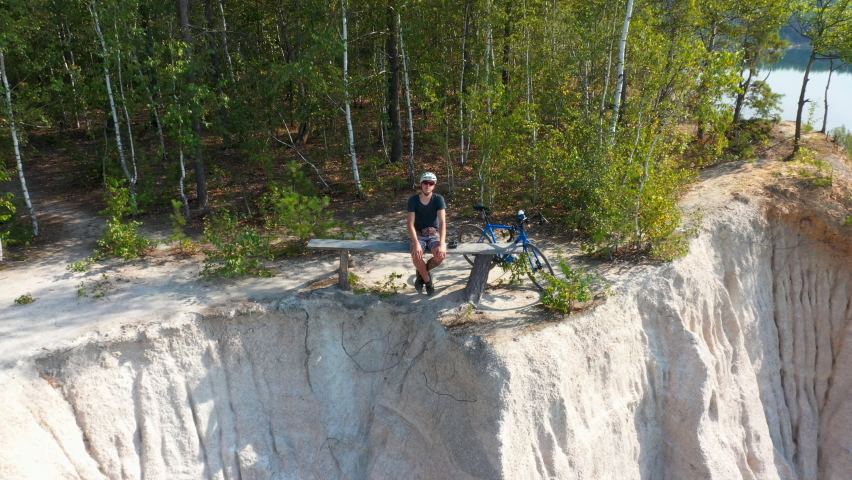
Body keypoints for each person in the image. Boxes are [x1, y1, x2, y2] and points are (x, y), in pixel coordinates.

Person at [407, 172, 446, 295]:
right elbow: (410, 223)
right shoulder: (413, 200)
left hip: (434, 234)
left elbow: (442, 222)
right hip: (419, 234)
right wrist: (416, 243)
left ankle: (421, 273)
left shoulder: (438, 199)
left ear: (434, 186)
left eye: (430, 183)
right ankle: (428, 281)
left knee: (441, 255)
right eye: (425, 182)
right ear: (421, 184)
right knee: (416, 254)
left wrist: (442, 243)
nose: (427, 185)